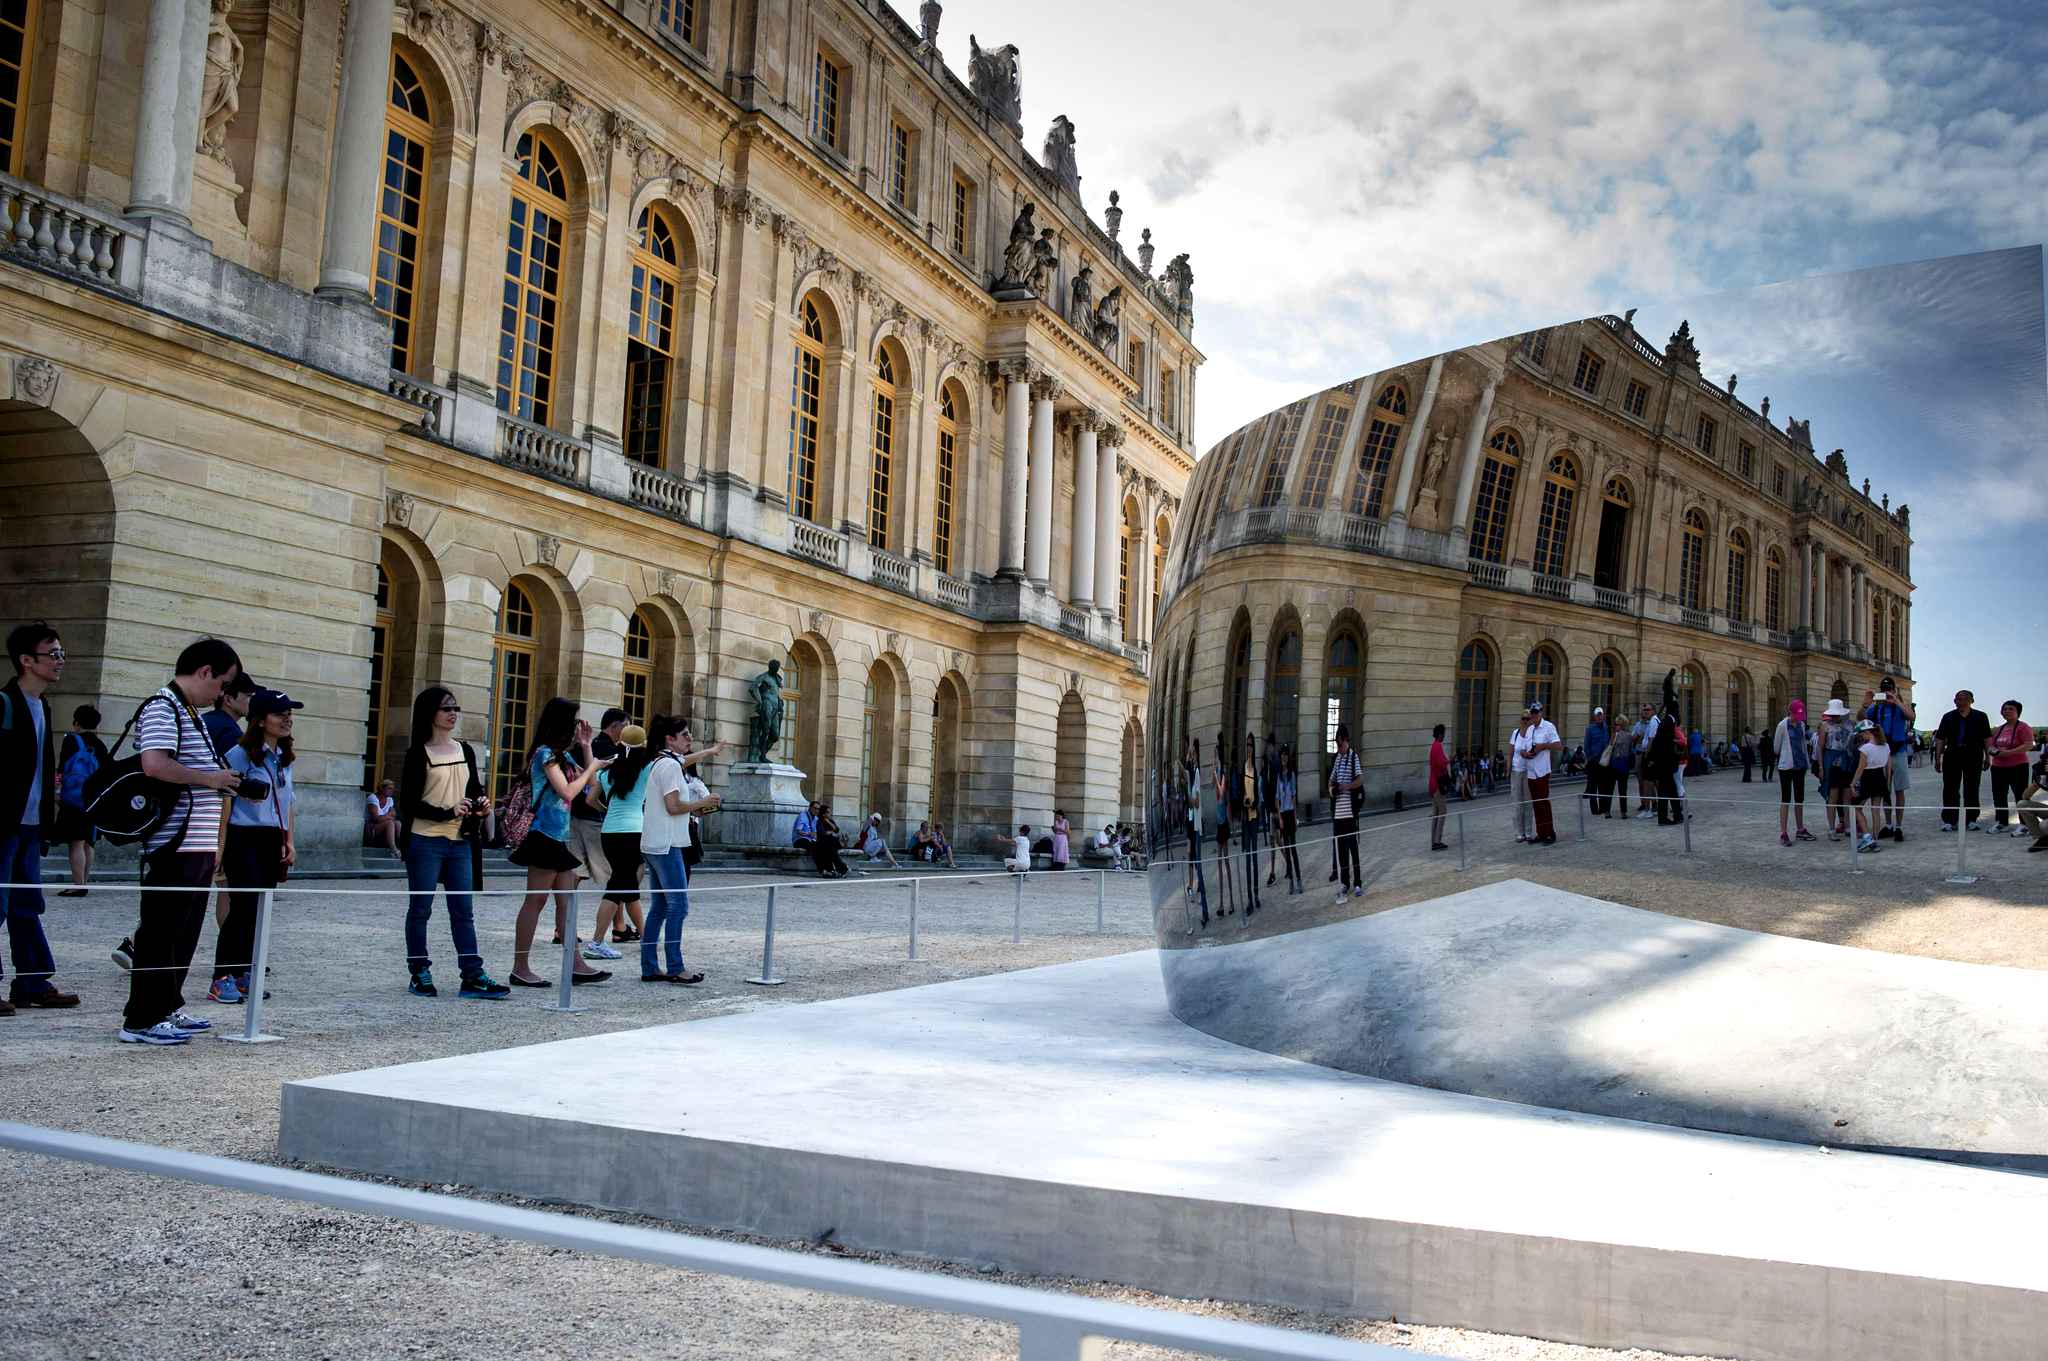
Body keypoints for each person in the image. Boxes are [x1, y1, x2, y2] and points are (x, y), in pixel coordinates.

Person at [120, 638, 245, 1045]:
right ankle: (140, 1018)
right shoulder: (162, 706)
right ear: (205, 671)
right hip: (174, 840)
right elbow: (154, 764)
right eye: (222, 683)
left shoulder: (188, 710)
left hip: (198, 840)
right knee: (160, 930)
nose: (221, 693)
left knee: (185, 929)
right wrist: (211, 779)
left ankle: (167, 1005)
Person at [397, 686, 506, 999]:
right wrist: (446, 811)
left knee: (463, 911)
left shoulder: (465, 750)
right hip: (425, 840)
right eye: (446, 708)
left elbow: (472, 786)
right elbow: (409, 803)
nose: (453, 713)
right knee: (420, 909)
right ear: (430, 713)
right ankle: (419, 972)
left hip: (460, 840)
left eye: (455, 708)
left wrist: (480, 803)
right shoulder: (418, 753)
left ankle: (472, 974)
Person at [505, 699, 614, 989]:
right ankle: (520, 967)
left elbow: (590, 786)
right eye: (574, 722)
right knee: (536, 901)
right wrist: (591, 768)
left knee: (567, 902)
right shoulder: (545, 755)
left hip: (559, 837)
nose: (577, 727)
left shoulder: (561, 757)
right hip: (543, 835)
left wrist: (588, 746)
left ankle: (575, 964)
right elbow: (567, 791)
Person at [0, 622, 79, 1016]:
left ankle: (33, 981)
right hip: (5, 824)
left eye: (62, 653)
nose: (61, 661)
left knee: (27, 903)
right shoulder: (5, 703)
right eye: (54, 654)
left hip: (30, 825)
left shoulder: (42, 706)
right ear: (26, 661)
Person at [210, 689, 302, 1003]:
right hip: (243, 835)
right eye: (280, 714)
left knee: (259, 910)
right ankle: (222, 975)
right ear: (261, 720)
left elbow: (287, 801)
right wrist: (219, 846)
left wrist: (288, 839)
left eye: (289, 713)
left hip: (271, 837)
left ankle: (243, 971)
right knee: (242, 909)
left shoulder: (284, 756)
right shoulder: (240, 754)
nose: (287, 719)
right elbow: (225, 800)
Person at [638, 715, 720, 984]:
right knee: (678, 906)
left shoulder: (660, 761)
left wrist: (710, 751)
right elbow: (673, 806)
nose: (690, 739)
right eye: (684, 735)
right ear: (669, 739)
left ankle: (650, 966)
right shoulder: (671, 767)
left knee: (660, 907)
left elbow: (688, 760)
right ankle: (675, 966)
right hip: (667, 843)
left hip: (655, 841)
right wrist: (703, 802)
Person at [561, 708, 628, 955]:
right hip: (595, 818)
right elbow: (596, 783)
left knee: (576, 873)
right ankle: (618, 927)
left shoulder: (582, 746)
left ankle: (564, 927)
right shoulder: (611, 751)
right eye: (626, 725)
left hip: (574, 815)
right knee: (617, 875)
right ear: (615, 726)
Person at [593, 724, 654, 954]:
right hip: (633, 831)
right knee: (618, 886)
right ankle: (597, 942)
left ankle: (647, 938)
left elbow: (590, 800)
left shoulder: (608, 772)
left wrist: (607, 811)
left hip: (609, 832)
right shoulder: (645, 769)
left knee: (627, 886)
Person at [54, 704, 109, 897]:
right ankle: (84, 882)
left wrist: (57, 791)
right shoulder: (101, 745)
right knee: (88, 842)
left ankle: (78, 885)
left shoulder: (71, 740)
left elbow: (62, 768)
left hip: (73, 798)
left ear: (76, 722)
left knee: (75, 842)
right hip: (93, 800)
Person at [1864, 679, 1915, 841]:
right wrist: (1870, 702)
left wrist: (1897, 701)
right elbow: (1863, 718)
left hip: (1898, 751)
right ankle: (1888, 825)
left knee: (1899, 790)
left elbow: (1911, 715)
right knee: (1884, 790)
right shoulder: (1876, 707)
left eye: (1889, 689)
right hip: (1882, 752)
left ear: (1894, 689)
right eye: (1884, 689)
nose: (1886, 692)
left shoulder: (1899, 706)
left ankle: (1898, 826)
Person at [1935, 690, 1991, 832]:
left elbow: (1986, 738)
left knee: (1972, 788)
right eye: (1959, 699)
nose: (1962, 701)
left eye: (1965, 699)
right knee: (1950, 788)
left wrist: (1988, 756)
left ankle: (1971, 819)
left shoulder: (1981, 716)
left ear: (1972, 700)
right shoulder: (1947, 717)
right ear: (1955, 701)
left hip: (1973, 754)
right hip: (1952, 754)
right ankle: (1949, 819)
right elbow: (1940, 738)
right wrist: (1937, 757)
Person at [1771, 698, 1816, 846]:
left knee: (1799, 799)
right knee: (1785, 799)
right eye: (1797, 714)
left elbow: (1803, 743)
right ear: (1790, 712)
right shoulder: (1782, 725)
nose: (1799, 717)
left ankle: (1800, 828)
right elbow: (1776, 747)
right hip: (1786, 767)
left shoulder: (1802, 725)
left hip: (1800, 766)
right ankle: (1783, 833)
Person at [1986, 700, 2034, 833]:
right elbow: (1990, 745)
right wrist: (1992, 751)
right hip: (1998, 766)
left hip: (2018, 766)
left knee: (2020, 795)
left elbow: (2029, 744)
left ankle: (2025, 824)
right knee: (1999, 795)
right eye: (2004, 709)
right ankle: (2002, 822)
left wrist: (2008, 753)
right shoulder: (1998, 729)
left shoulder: (2023, 727)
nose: (2006, 711)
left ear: (2018, 712)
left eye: (2011, 709)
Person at [1519, 702, 1562, 845]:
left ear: (1541, 713)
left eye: (1536, 713)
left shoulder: (1549, 727)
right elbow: (1523, 748)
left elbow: (1558, 746)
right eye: (1532, 713)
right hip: (1531, 771)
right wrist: (1525, 753)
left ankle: (1550, 833)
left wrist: (1543, 746)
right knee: (1536, 804)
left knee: (1543, 802)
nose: (1534, 715)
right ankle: (1541, 833)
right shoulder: (1530, 729)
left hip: (1542, 771)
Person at [1328, 723, 1362, 902]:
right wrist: (1333, 790)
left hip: (1349, 812)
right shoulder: (1338, 759)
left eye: (1340, 744)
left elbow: (1360, 780)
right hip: (1338, 813)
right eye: (1337, 744)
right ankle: (1345, 882)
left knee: (1353, 848)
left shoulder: (1352, 757)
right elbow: (1330, 781)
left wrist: (1346, 786)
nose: (1338, 747)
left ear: (1346, 740)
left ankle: (1357, 882)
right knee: (1341, 850)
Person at [1848, 719, 1891, 853]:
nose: (1861, 736)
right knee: (1875, 810)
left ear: (1867, 732)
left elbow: (1860, 769)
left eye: (1862, 734)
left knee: (1855, 807)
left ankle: (1867, 837)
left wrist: (1852, 784)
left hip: (1868, 778)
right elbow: (1889, 767)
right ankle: (1875, 841)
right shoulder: (1886, 746)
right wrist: (1888, 783)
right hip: (1880, 778)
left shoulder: (1865, 748)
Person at [1818, 699, 1857, 840]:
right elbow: (1820, 748)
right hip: (1832, 761)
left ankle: (1847, 826)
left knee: (1846, 796)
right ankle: (1831, 828)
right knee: (1832, 797)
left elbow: (1852, 745)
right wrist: (1821, 767)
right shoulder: (1825, 726)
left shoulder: (1849, 725)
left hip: (1846, 760)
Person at [1182, 741, 1207, 922]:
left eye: (1191, 754)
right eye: (1188, 754)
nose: (1189, 756)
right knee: (1190, 854)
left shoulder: (1196, 774)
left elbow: (1196, 803)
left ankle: (1201, 893)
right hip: (1189, 820)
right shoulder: (1190, 774)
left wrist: (1189, 797)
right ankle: (1191, 885)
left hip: (1196, 823)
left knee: (1196, 858)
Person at [1239, 730, 1262, 915]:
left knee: (1254, 858)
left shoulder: (1255, 769)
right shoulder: (1242, 769)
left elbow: (1259, 793)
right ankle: (1248, 899)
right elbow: (1239, 792)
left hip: (1254, 817)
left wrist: (1254, 802)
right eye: (1246, 745)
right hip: (1245, 820)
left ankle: (1255, 895)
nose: (1248, 748)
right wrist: (1243, 802)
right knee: (1247, 859)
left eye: (1251, 745)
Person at [1275, 746, 1302, 889]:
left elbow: (1293, 797)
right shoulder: (1279, 776)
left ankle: (1298, 879)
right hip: (1283, 815)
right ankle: (1291, 880)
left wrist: (1296, 817)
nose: (1284, 757)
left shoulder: (1291, 775)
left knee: (1294, 849)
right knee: (1286, 846)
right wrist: (1279, 817)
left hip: (1291, 813)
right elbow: (1277, 799)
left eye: (1286, 755)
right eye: (1282, 755)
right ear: (1280, 758)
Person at [1508, 708, 1534, 841]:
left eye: (1527, 719)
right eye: (1523, 718)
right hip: (1517, 770)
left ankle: (1528, 832)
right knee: (1517, 803)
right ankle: (1519, 832)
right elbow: (1510, 752)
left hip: (1529, 771)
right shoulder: (1515, 733)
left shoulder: (1533, 733)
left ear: (1531, 720)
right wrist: (1508, 770)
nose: (1525, 721)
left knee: (1528, 803)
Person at [1603, 712, 1633, 818]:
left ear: (1621, 724)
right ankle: (1623, 812)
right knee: (1622, 789)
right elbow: (1630, 750)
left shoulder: (1615, 735)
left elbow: (1610, 747)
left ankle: (1607, 811)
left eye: (1617, 724)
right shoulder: (1629, 736)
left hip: (1614, 763)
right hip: (1623, 764)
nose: (1615, 726)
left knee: (1610, 789)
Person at [1427, 723, 1452, 852]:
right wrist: (1449, 761)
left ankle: (1433, 840)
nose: (1444, 737)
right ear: (1440, 734)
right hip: (1437, 783)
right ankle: (1437, 841)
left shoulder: (1434, 746)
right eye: (1443, 734)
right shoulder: (1437, 746)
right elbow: (1441, 763)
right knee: (1443, 811)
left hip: (1433, 783)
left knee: (1436, 812)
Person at [1582, 709, 1610, 819]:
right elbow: (1586, 745)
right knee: (1593, 786)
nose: (1599, 717)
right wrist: (1590, 758)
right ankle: (1594, 809)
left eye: (1601, 715)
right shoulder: (1590, 729)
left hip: (1603, 762)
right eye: (1597, 715)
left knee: (1603, 786)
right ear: (1594, 717)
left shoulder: (1605, 727)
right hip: (1593, 762)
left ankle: (1602, 808)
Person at [1260, 732, 1280, 886]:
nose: (1267, 748)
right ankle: (1276, 870)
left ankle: (1274, 872)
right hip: (1271, 807)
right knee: (1276, 841)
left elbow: (1275, 787)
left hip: (1276, 808)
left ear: (1272, 746)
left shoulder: (1275, 763)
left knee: (1277, 841)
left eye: (1268, 745)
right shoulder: (1268, 764)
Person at [1632, 704, 1659, 817]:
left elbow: (1651, 740)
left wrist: (1648, 756)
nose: (1645, 712)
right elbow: (1633, 739)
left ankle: (1653, 805)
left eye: (1648, 710)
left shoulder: (1652, 723)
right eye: (1644, 710)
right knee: (1642, 781)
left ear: (1653, 711)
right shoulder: (1638, 724)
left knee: (1650, 782)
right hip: (1640, 754)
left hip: (1647, 755)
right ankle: (1645, 804)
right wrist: (1638, 736)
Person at [363, 779, 399, 856]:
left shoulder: (390, 800)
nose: (392, 791)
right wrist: (389, 816)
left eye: (393, 789)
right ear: (381, 788)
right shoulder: (372, 798)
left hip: (381, 826)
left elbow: (394, 815)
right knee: (390, 823)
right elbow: (376, 819)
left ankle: (403, 846)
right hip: (370, 828)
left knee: (398, 823)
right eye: (389, 788)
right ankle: (393, 849)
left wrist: (385, 817)